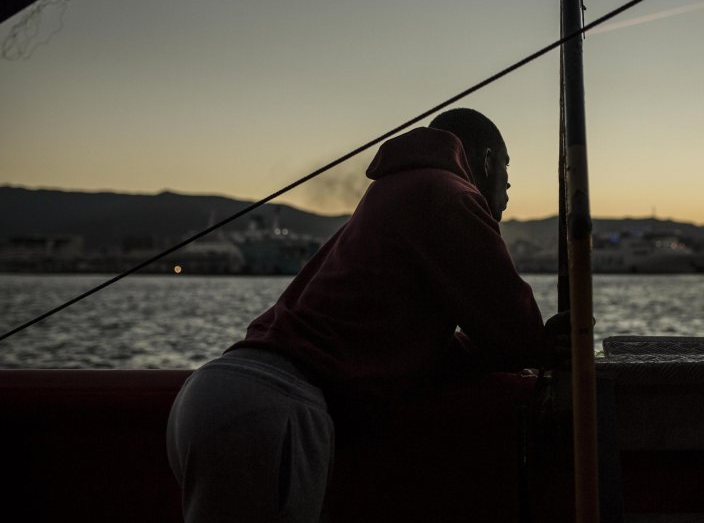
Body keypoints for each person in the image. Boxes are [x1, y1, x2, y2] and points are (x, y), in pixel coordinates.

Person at [166, 108, 566, 522]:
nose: (509, 188)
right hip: (273, 412)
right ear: (485, 161)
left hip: (213, 392)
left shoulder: (392, 194)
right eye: (507, 169)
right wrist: (547, 341)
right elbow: (515, 335)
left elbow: (415, 347)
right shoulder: (451, 195)